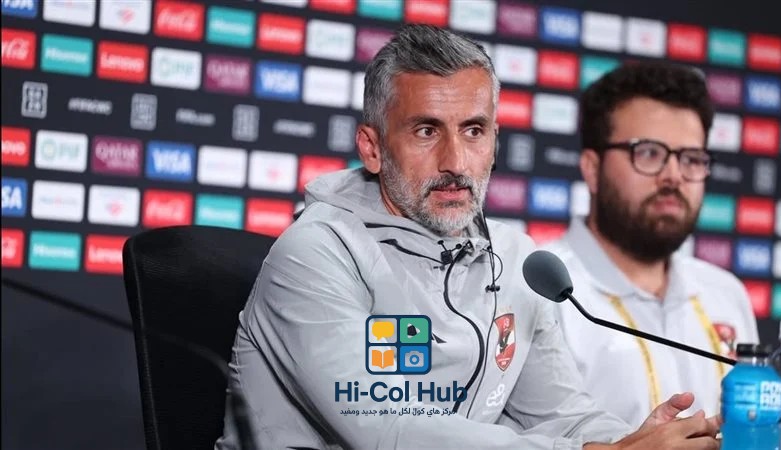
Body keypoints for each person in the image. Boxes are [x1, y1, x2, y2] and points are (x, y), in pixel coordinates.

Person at [216, 25, 721, 449]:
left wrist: (639, 441)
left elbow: (563, 417)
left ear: (495, 141)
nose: (455, 162)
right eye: (426, 131)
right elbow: (389, 430)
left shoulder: (517, 261)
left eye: (474, 130)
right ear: (372, 148)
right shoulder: (316, 253)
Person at [543, 62, 759, 427]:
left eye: (691, 159)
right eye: (648, 153)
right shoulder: (544, 295)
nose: (673, 176)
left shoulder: (726, 294)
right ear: (592, 169)